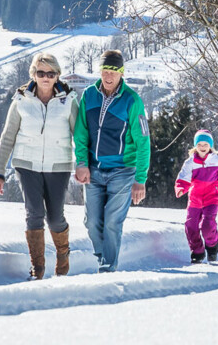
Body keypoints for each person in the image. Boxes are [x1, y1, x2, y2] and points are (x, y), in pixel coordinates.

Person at [0, 53, 78, 279]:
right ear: (34, 75)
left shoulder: (68, 100)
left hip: (58, 165)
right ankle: (37, 269)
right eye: (41, 73)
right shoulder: (21, 100)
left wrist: (83, 165)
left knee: (55, 217)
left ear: (57, 75)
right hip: (26, 164)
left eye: (51, 73)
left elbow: (80, 136)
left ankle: (63, 254)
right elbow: (8, 136)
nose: (46, 78)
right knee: (34, 213)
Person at [73, 49, 150, 272]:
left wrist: (140, 179)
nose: (108, 77)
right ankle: (103, 256)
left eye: (113, 72)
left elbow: (143, 141)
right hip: (94, 170)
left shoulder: (132, 101)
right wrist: (81, 163)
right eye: (105, 71)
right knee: (92, 222)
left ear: (121, 73)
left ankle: (107, 268)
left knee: (112, 223)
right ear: (100, 71)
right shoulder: (89, 95)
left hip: (123, 171)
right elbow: (81, 133)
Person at [174, 129, 218, 263]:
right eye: (199, 144)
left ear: (210, 146)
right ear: (195, 146)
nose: (202, 147)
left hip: (212, 199)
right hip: (195, 199)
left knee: (207, 225)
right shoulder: (190, 163)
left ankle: (212, 247)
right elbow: (183, 178)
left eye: (205, 144)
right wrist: (181, 188)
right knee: (190, 226)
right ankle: (197, 252)